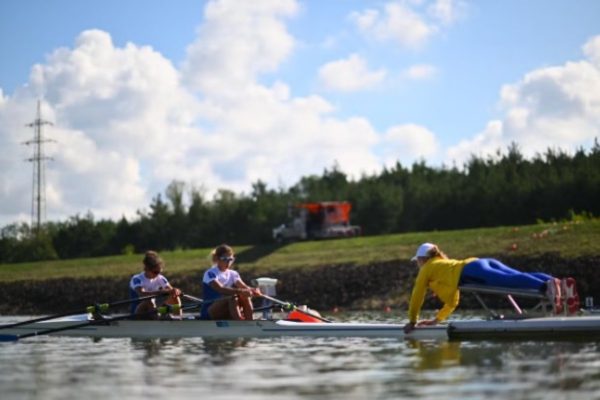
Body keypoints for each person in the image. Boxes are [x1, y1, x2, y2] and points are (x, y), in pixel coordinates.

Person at [403, 243, 580, 333]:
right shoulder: (443, 266)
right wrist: (437, 320)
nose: (417, 264)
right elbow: (453, 300)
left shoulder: (427, 269)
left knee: (508, 281)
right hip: (479, 262)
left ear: (422, 259)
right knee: (517, 275)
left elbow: (417, 295)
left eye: (417, 261)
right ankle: (559, 284)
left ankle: (546, 286)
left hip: (473, 270)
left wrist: (412, 321)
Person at [200, 244, 261, 320]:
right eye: (225, 259)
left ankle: (250, 322)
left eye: (230, 259)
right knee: (232, 297)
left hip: (226, 308)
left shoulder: (233, 274)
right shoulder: (210, 273)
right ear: (217, 258)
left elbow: (245, 288)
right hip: (210, 310)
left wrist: (253, 290)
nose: (228, 262)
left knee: (245, 296)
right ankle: (239, 322)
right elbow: (220, 289)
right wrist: (242, 291)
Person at [129, 250, 182, 319]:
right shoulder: (137, 279)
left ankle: (179, 320)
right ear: (147, 269)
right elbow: (142, 293)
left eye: (159, 272)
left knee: (175, 296)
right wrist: (161, 292)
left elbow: (170, 290)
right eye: (155, 272)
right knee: (148, 300)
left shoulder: (160, 278)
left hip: (153, 310)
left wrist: (175, 291)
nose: (158, 274)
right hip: (139, 312)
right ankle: (158, 319)